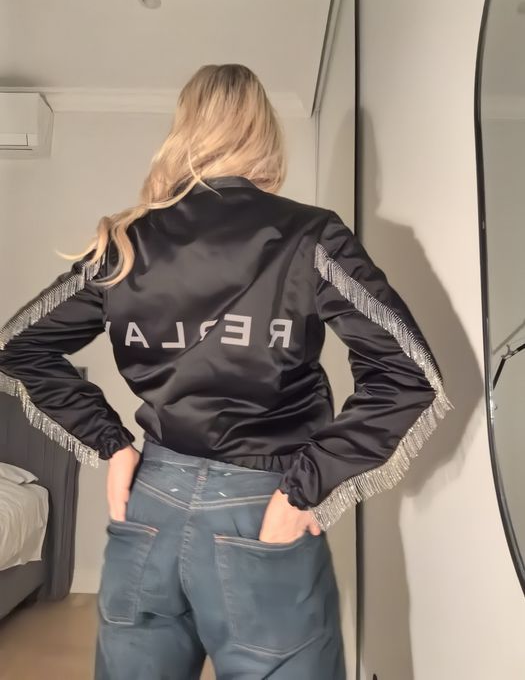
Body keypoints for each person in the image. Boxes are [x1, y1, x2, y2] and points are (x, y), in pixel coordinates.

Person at [0, 64, 453, 679]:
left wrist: (115, 447)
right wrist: (305, 487)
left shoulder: (128, 241)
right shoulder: (309, 235)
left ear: (185, 128)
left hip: (150, 504)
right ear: (263, 133)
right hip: (260, 507)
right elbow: (409, 374)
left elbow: (18, 347)